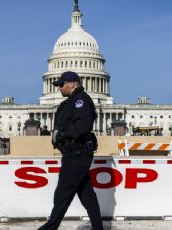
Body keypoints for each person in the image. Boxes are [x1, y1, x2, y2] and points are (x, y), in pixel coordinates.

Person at [39, 71, 103, 230]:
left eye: (61, 84)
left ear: (72, 84)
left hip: (77, 153)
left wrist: (63, 135)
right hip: (73, 152)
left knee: (62, 194)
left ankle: (49, 228)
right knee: (87, 196)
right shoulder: (70, 102)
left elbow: (83, 125)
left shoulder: (81, 100)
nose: (59, 88)